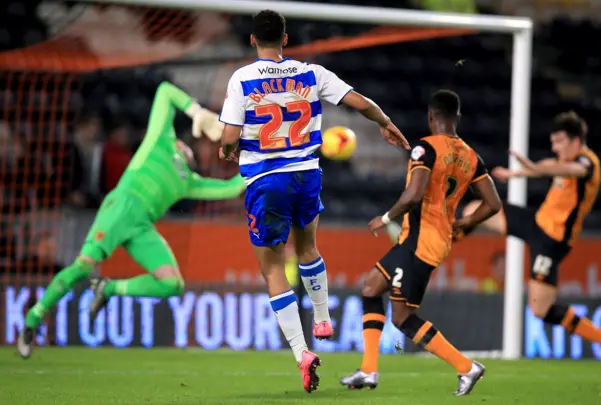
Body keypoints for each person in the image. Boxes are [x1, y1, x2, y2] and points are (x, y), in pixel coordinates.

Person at [218, 9, 409, 393]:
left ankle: (301, 352)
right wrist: (385, 122)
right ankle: (322, 316)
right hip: (307, 173)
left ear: (252, 39)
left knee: (272, 266)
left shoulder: (242, 78)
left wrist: (228, 151)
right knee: (307, 247)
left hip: (265, 180)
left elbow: (227, 136)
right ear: (286, 39)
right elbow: (359, 101)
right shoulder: (312, 73)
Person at [17, 81, 245, 359]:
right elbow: (164, 91)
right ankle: (33, 320)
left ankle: (110, 288)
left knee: (173, 284)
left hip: (141, 228)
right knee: (82, 267)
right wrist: (196, 111)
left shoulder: (190, 181)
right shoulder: (160, 141)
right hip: (121, 208)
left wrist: (260, 159)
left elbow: (232, 187)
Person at [340, 90, 502, 396]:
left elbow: (413, 195)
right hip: (432, 239)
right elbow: (492, 203)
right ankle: (368, 369)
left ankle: (467, 367)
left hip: (420, 241)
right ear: (458, 118)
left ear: (431, 117)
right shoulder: (471, 156)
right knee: (371, 287)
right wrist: (466, 222)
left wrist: (385, 218)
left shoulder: (425, 149)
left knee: (402, 318)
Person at [461, 111, 601, 363]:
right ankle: (441, 240)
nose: (555, 147)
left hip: (552, 241)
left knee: (539, 309)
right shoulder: (566, 160)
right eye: (553, 142)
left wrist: (532, 169)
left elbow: (568, 169)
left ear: (575, 141)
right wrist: (517, 174)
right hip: (535, 222)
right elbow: (553, 167)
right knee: (475, 209)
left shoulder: (587, 164)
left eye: (559, 142)